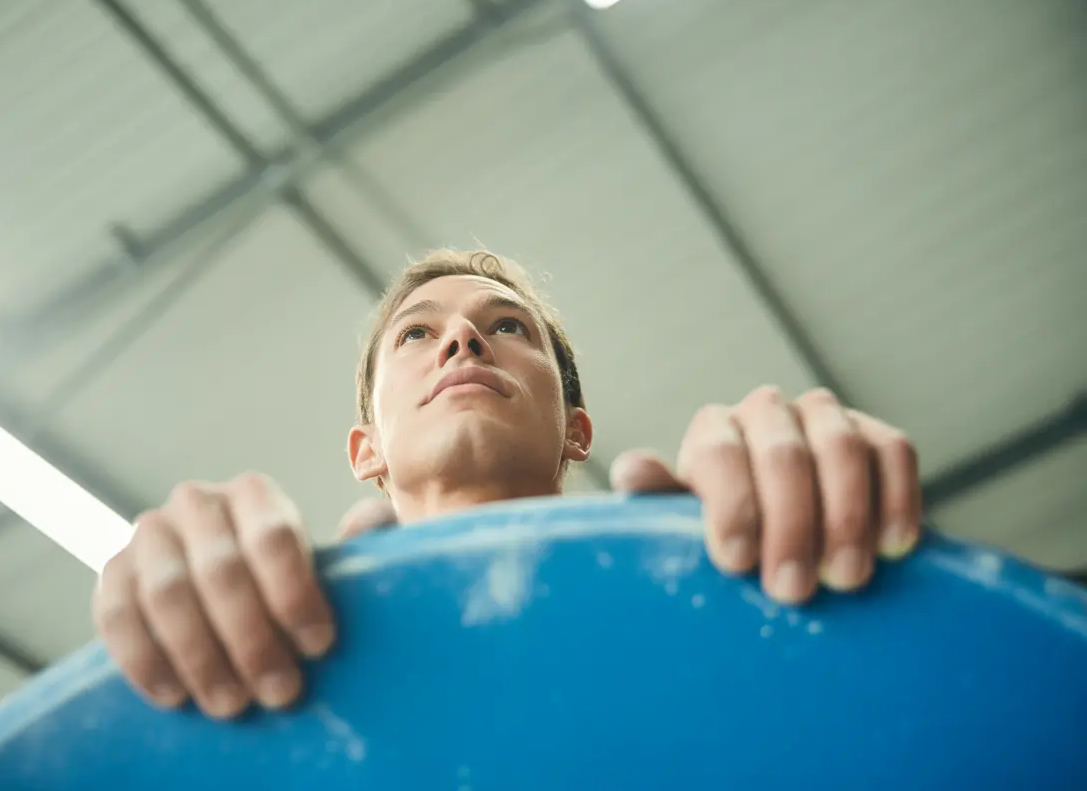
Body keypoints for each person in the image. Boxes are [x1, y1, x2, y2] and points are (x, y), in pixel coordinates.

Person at [92, 249, 922, 720]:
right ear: (366, 450)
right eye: (417, 334)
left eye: (507, 325)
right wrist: (179, 634)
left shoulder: (718, 610)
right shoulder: (291, 676)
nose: (462, 338)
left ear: (577, 429)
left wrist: (821, 540)